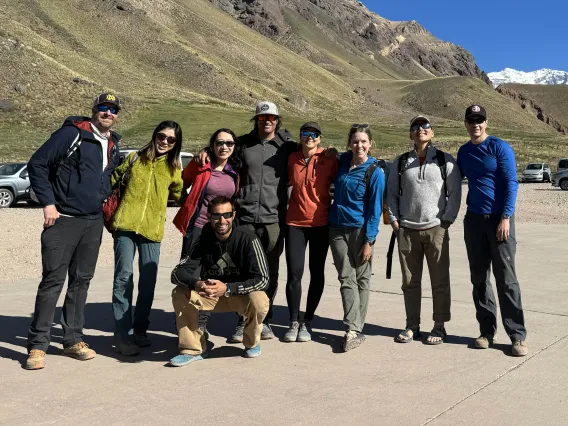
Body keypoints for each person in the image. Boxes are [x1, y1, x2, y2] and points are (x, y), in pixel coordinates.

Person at [25, 93, 121, 370]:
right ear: (94, 110)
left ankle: (72, 340)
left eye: (113, 110)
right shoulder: (72, 134)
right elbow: (38, 163)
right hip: (63, 219)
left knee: (81, 282)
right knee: (52, 282)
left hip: (92, 222)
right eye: (103, 108)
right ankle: (38, 345)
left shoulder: (112, 144)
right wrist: (48, 204)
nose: (107, 113)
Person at [196, 102, 298, 343]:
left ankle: (265, 319)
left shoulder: (286, 147)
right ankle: (243, 320)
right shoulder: (242, 144)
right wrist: (204, 151)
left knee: (270, 270)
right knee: (243, 270)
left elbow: (308, 151)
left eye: (271, 117)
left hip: (273, 219)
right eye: (262, 117)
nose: (267, 121)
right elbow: (221, 148)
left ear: (277, 120)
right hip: (245, 218)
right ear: (256, 120)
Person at [457, 104, 528, 357]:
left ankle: (517, 335)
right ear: (465, 124)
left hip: (499, 219)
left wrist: (506, 217)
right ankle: (486, 331)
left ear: (486, 123)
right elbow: (453, 177)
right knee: (479, 279)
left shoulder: (499, 147)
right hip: (474, 220)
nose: (476, 124)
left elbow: (511, 182)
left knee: (507, 280)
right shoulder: (464, 152)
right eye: (471, 120)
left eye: (480, 120)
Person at [108, 121, 183, 355]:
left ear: (175, 144)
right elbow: (111, 181)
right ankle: (122, 335)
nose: (165, 142)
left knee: (148, 283)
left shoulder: (173, 168)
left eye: (171, 140)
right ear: (155, 135)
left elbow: (179, 194)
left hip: (152, 230)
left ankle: (140, 329)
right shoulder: (133, 158)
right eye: (162, 136)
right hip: (125, 226)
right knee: (123, 278)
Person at [168, 196, 270, 366]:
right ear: (209, 217)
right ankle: (192, 349)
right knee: (179, 292)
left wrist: (228, 288)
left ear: (233, 215)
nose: (222, 220)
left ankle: (251, 342)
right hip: (211, 295)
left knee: (259, 299)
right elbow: (177, 273)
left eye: (227, 215)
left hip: (239, 295)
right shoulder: (202, 240)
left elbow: (263, 280)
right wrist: (197, 284)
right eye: (216, 216)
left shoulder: (247, 238)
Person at [387, 116, 462, 345]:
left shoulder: (444, 160)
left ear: (432, 132)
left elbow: (455, 193)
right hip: (407, 230)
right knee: (410, 282)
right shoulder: (400, 162)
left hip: (436, 229)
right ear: (411, 134)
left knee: (439, 281)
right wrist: (394, 221)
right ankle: (412, 326)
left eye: (425, 126)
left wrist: (446, 221)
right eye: (416, 127)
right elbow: (391, 194)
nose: (421, 130)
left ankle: (439, 326)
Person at [328, 124, 385, 352]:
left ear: (370, 144)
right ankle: (353, 327)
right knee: (346, 277)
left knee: (362, 280)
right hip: (337, 229)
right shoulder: (343, 162)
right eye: (355, 141)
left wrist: (369, 241)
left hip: (360, 231)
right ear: (349, 143)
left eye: (363, 141)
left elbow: (375, 210)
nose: (359, 145)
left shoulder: (375, 171)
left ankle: (355, 328)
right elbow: (327, 155)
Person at [283, 122, 338, 343]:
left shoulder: (329, 158)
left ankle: (308, 321)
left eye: (315, 134)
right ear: (300, 136)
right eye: (305, 133)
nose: (310, 137)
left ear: (320, 138)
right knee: (294, 273)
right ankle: (294, 321)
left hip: (321, 223)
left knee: (317, 272)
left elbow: (344, 174)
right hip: (295, 223)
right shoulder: (291, 158)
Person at [173, 128, 240, 260]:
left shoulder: (236, 171)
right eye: (219, 143)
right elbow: (180, 183)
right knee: (189, 267)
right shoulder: (200, 164)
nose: (224, 147)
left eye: (229, 143)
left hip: (223, 227)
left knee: (215, 270)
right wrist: (186, 203)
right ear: (212, 145)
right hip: (199, 225)